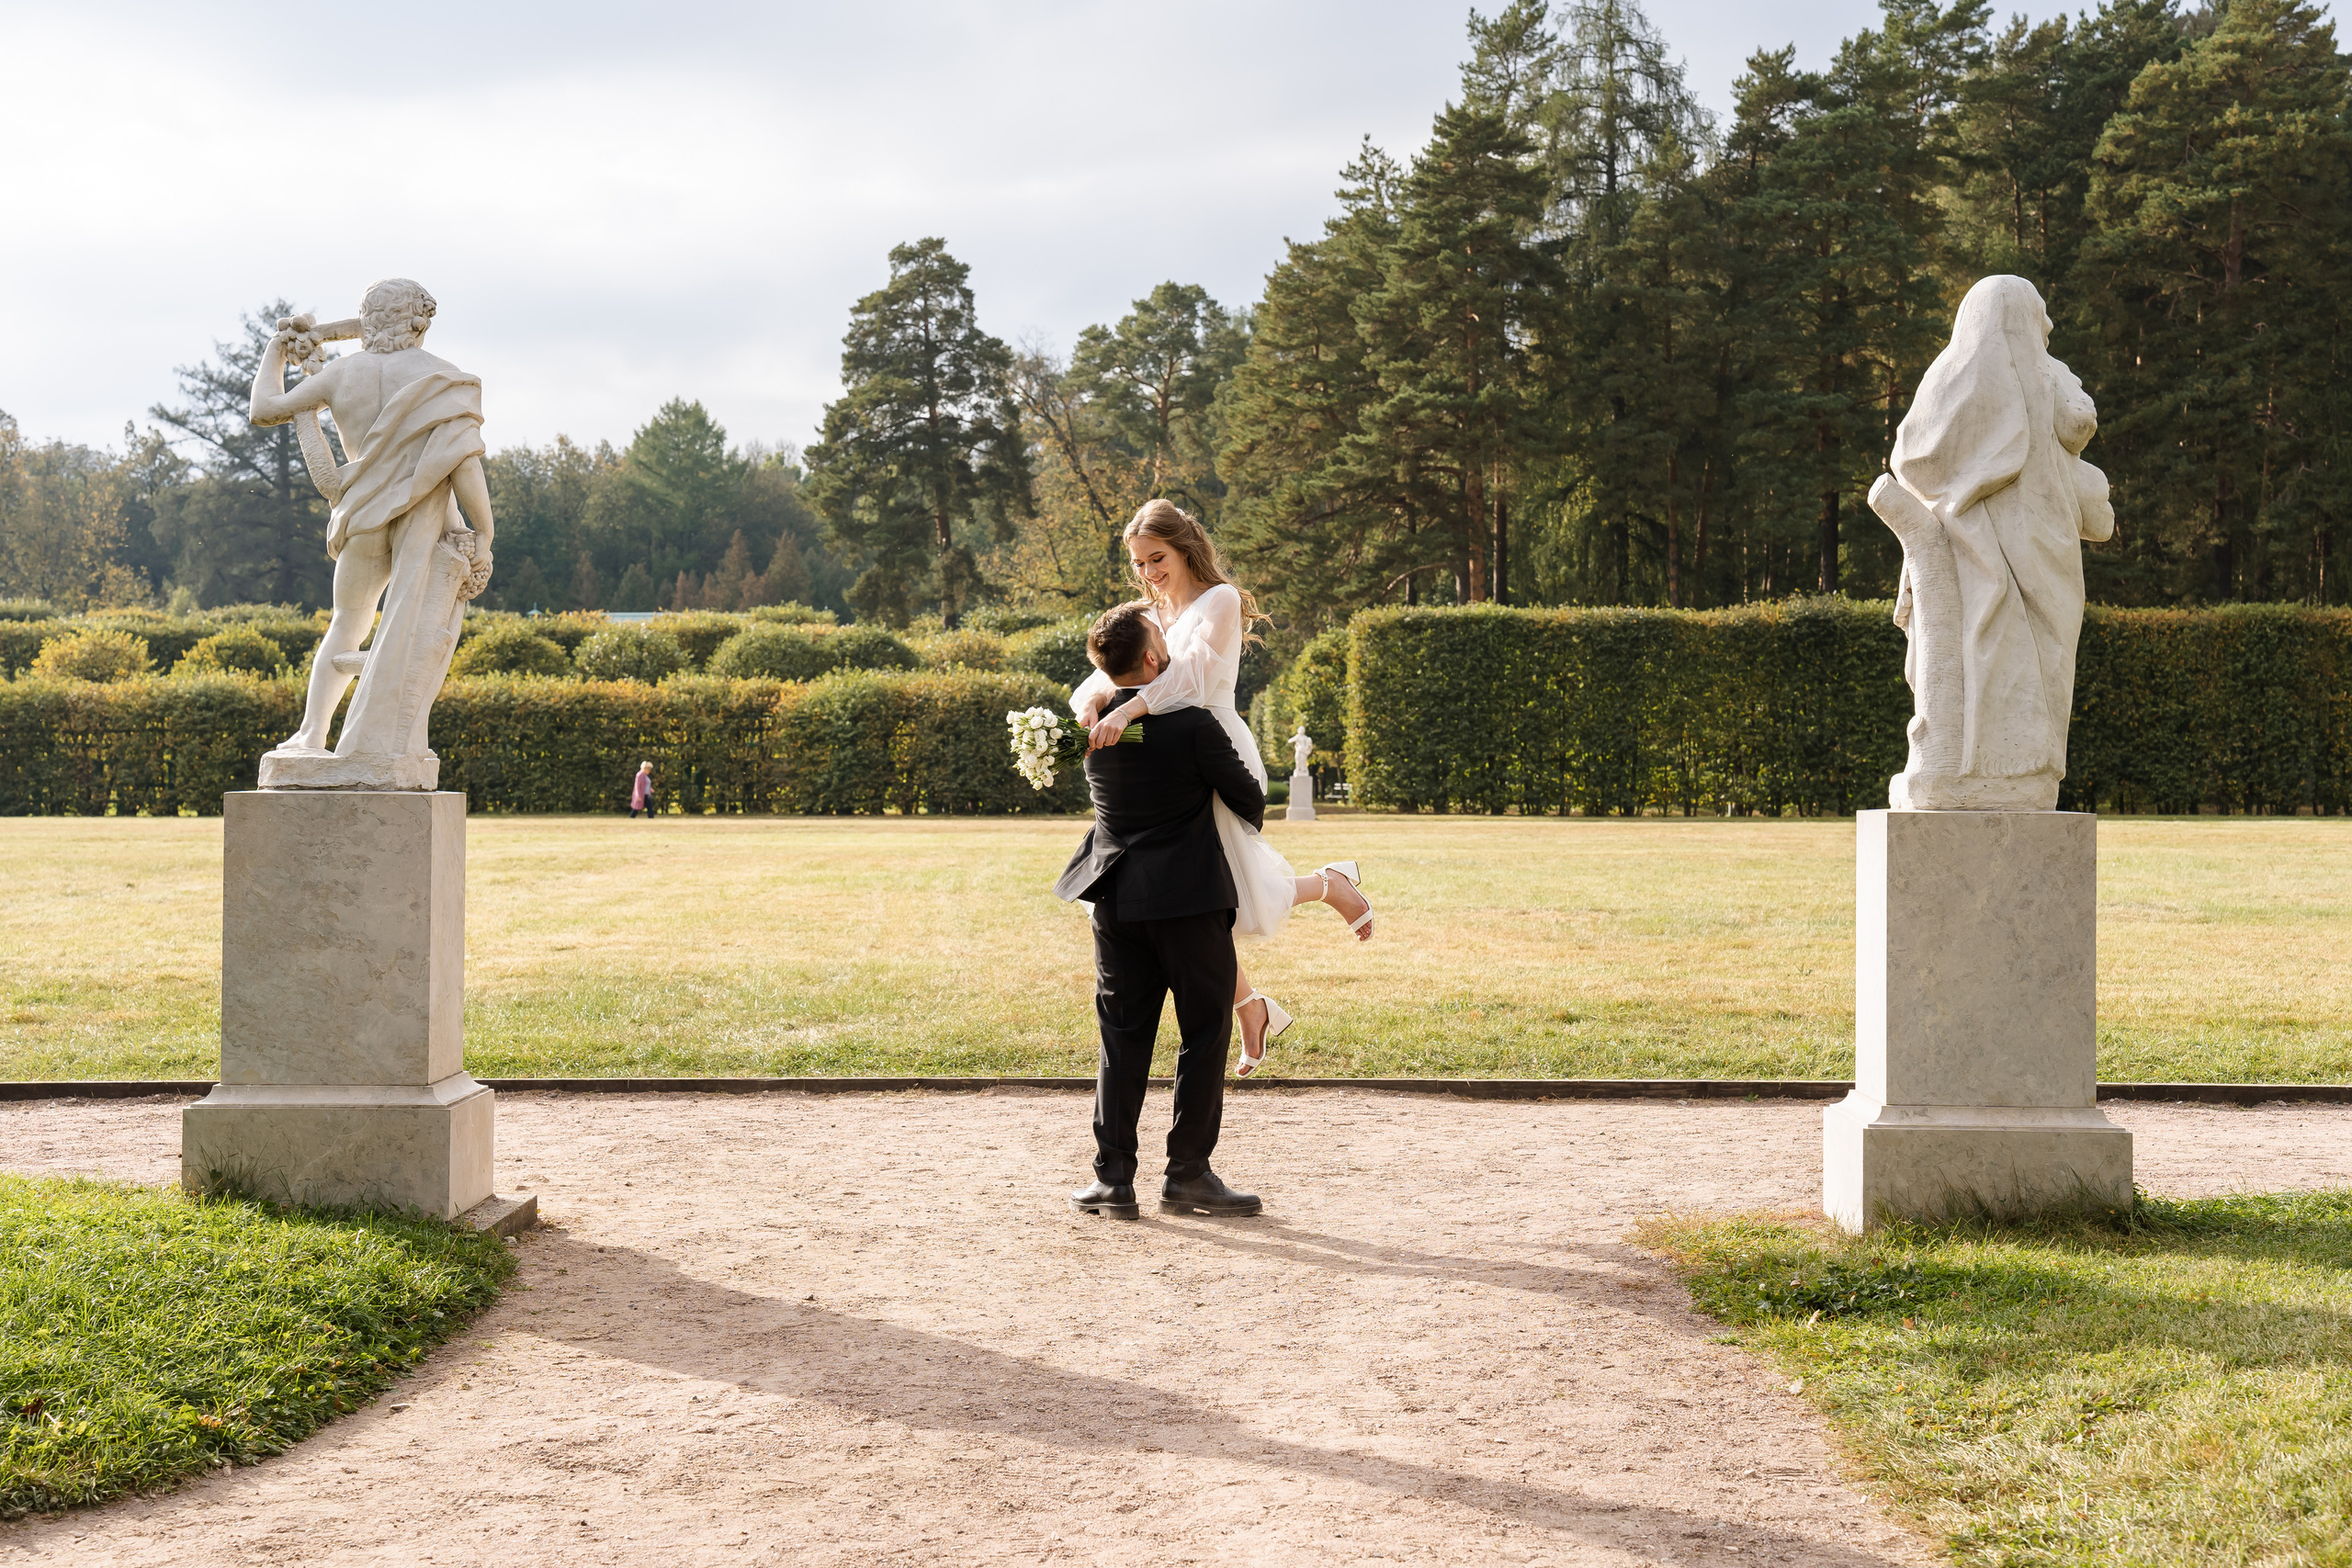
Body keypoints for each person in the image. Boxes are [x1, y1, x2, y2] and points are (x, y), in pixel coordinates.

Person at [1071, 501, 1375, 1077]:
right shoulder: (1149, 610)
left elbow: (1191, 677)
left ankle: (1325, 888)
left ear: (1184, 548)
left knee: (1211, 901)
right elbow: (1103, 671)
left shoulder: (1221, 600)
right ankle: (1252, 1004)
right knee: (1197, 904)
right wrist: (1089, 705)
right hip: (1164, 761)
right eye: (1139, 563)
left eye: (1156, 558)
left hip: (1211, 751)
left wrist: (1129, 708)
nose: (1149, 572)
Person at [1056, 604, 1267, 1219]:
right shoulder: (1192, 725)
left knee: (1121, 1038)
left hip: (1115, 898)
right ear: (1152, 658)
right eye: (1162, 638)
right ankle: (1188, 1174)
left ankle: (1113, 1178)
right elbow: (1250, 799)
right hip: (1189, 900)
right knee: (1203, 1032)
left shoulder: (1093, 730)